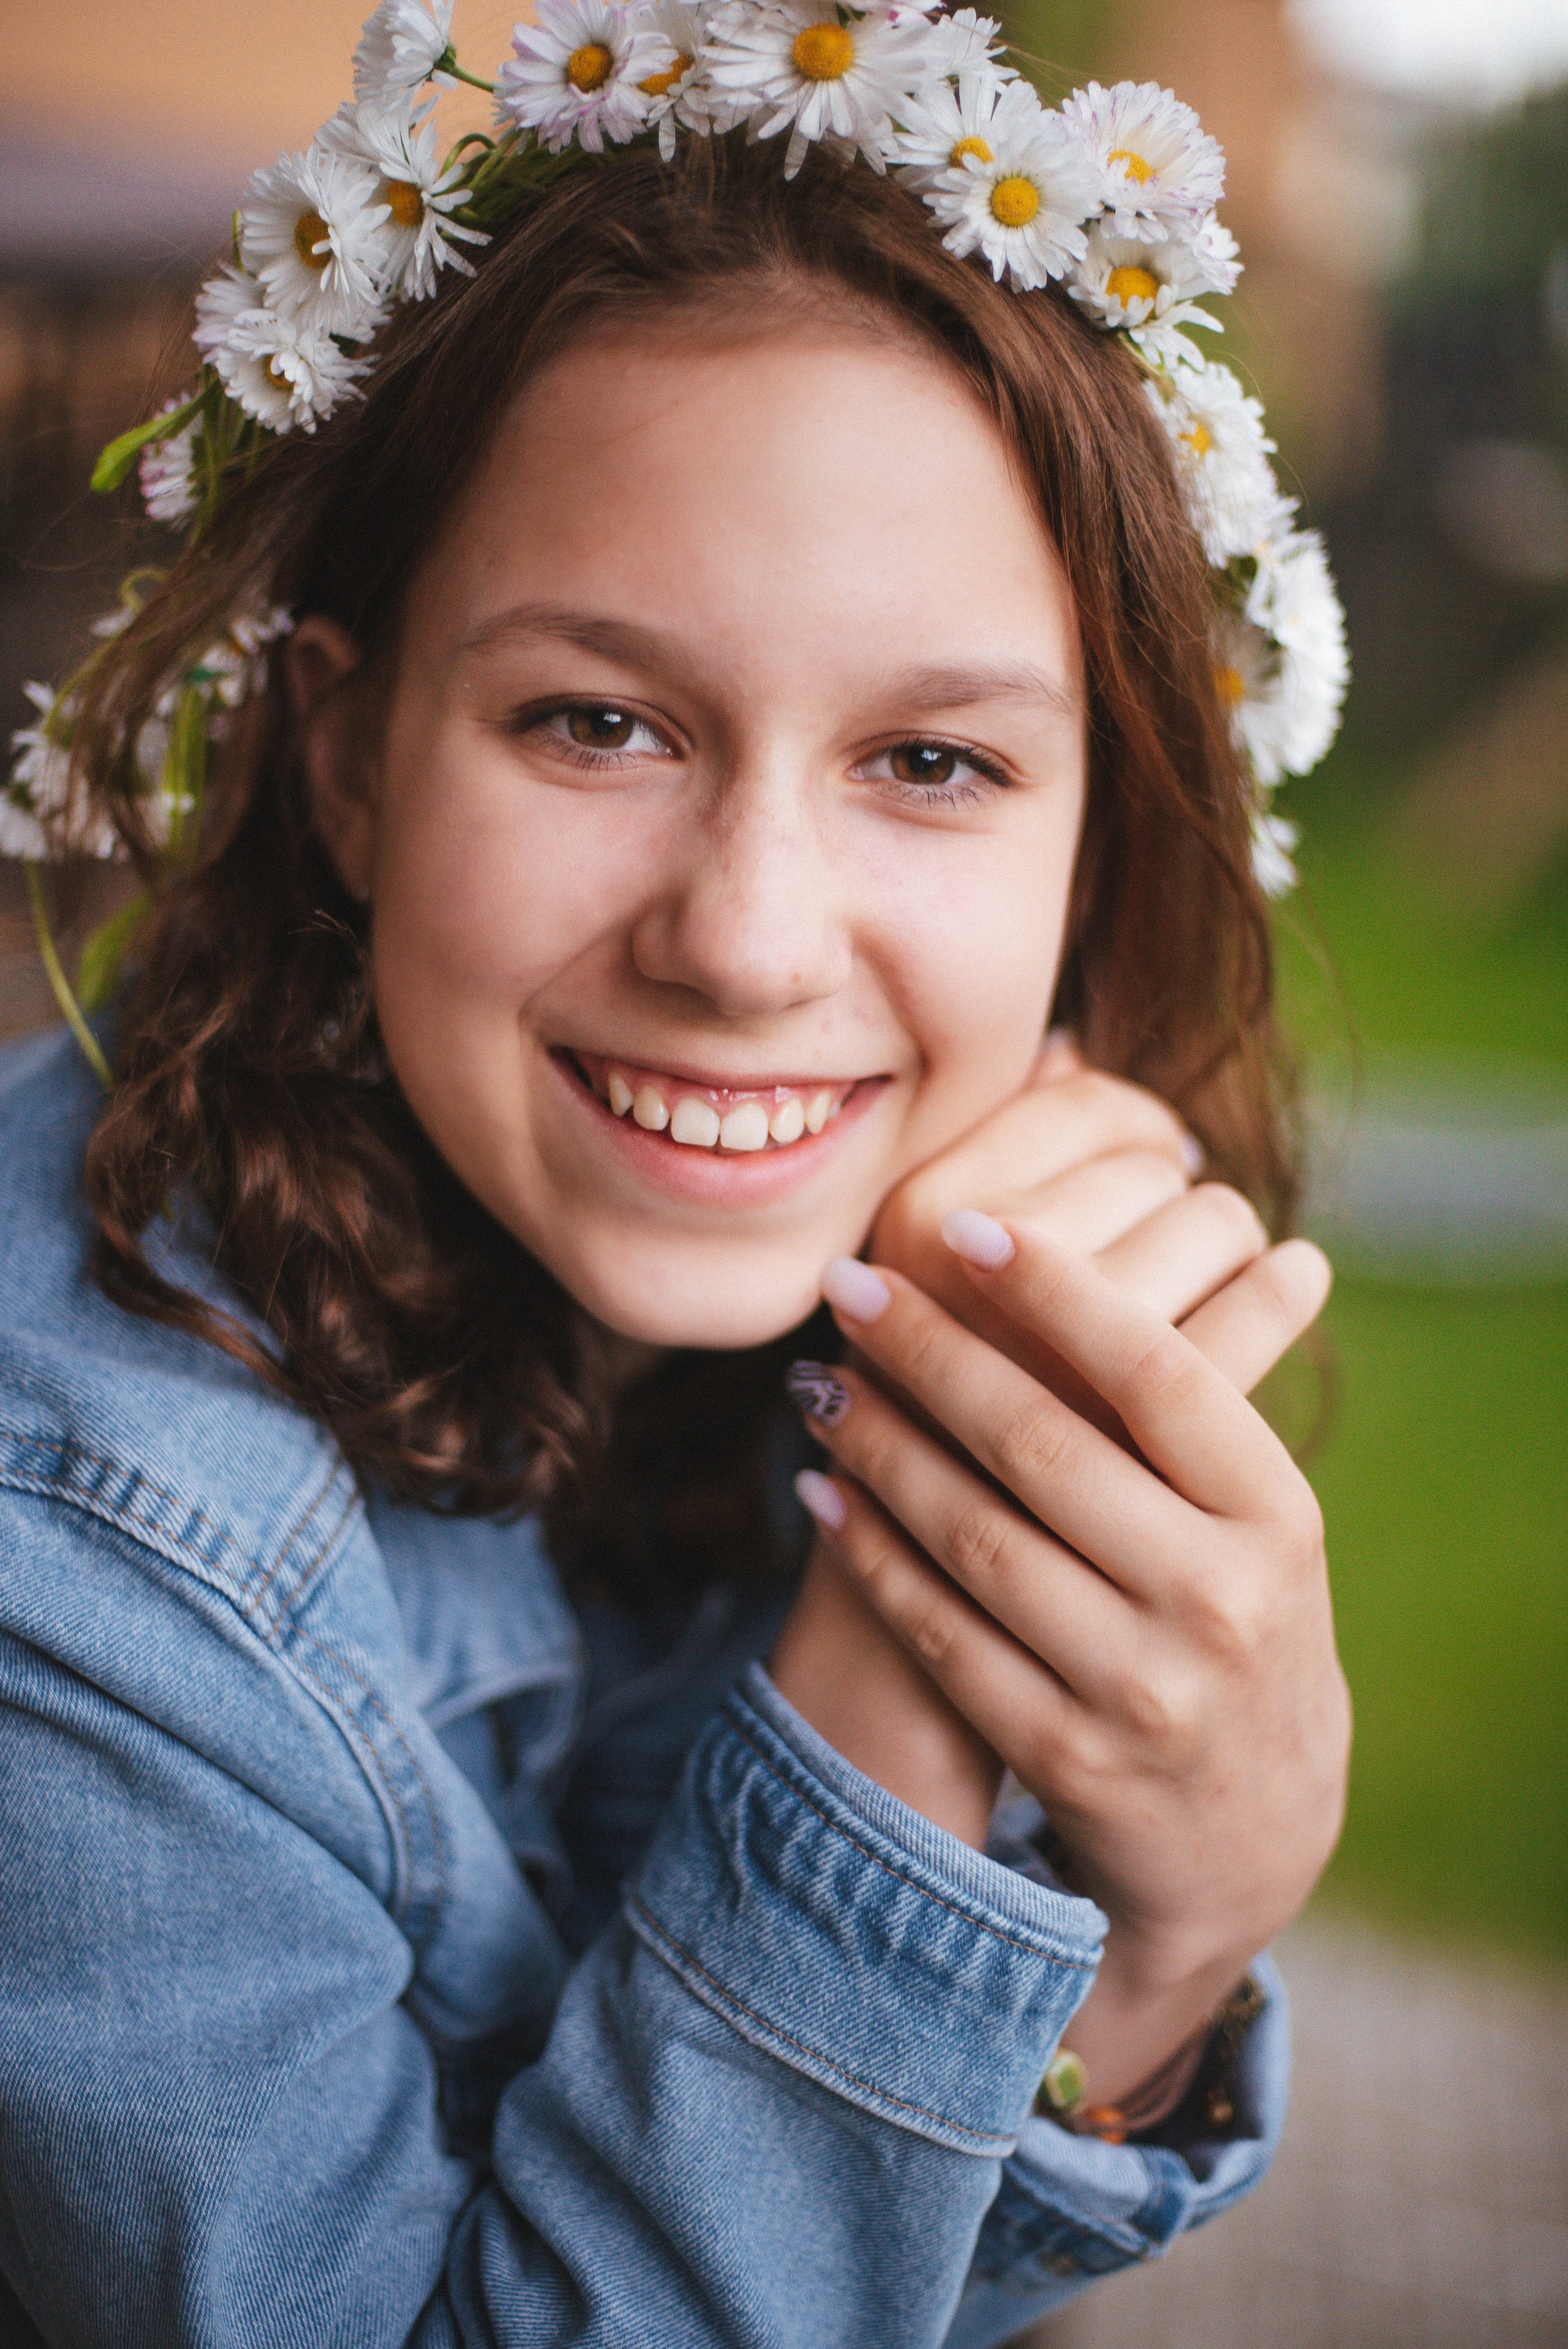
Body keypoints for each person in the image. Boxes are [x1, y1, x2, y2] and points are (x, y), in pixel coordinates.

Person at [0, 4, 1352, 2341]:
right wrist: (924, 1649)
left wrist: (1162, 1968)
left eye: (929, 759)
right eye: (597, 721)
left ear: (1097, 842)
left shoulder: (881, 1283)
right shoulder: (77, 1544)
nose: (741, 939)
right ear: (343, 756)